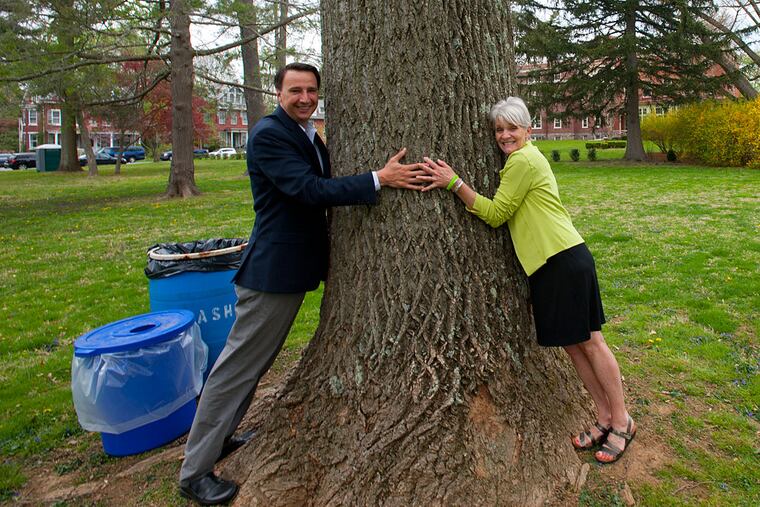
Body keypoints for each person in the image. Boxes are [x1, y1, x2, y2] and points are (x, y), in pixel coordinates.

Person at [178, 62, 424, 505]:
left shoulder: (304, 133)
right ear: (279, 93)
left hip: (292, 267)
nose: (305, 98)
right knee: (236, 369)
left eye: (311, 90)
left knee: (252, 365)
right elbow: (308, 191)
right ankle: (194, 471)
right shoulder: (269, 134)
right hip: (272, 273)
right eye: (296, 90)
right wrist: (378, 179)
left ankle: (221, 439)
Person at [419, 97, 636, 466]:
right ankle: (603, 418)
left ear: (528, 129)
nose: (505, 136)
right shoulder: (522, 158)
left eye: (512, 128)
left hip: (563, 259)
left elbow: (495, 214)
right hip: (548, 265)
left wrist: (453, 182)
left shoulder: (522, 160)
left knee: (591, 342)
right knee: (572, 345)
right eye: (499, 130)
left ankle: (622, 421)